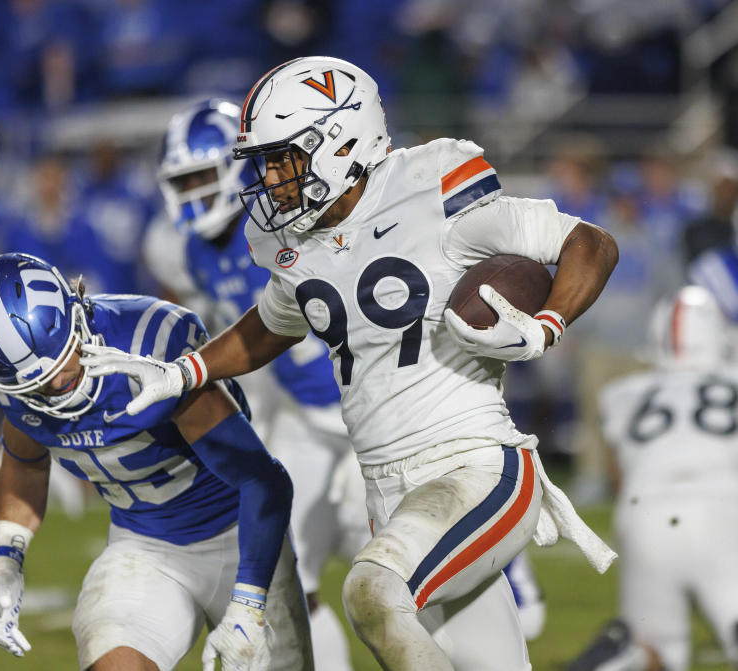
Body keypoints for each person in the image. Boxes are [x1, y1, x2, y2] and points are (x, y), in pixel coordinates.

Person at [84, 56, 619, 671]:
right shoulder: (297, 242)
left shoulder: (431, 187)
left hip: (475, 463)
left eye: (283, 158)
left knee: (373, 592)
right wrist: (187, 371)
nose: (272, 180)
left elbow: (588, 242)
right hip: (385, 484)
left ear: (339, 141)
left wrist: (544, 327)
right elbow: (271, 324)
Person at [0, 252, 313, 670]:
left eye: (62, 361)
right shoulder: (10, 386)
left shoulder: (147, 346)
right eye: (39, 386)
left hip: (242, 540)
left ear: (77, 314)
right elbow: (25, 460)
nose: (58, 383)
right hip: (143, 547)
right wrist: (8, 555)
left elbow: (263, 481)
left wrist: (250, 601)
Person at [155, 97, 369, 671]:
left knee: (394, 579)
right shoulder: (198, 252)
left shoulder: (292, 222)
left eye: (204, 175)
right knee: (286, 567)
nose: (196, 191)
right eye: (185, 180)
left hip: (369, 415)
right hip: (307, 418)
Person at [567, 285, 738, 671]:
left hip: (644, 511)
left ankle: (623, 658)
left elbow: (618, 474)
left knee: (656, 648)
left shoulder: (624, 393)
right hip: (721, 507)